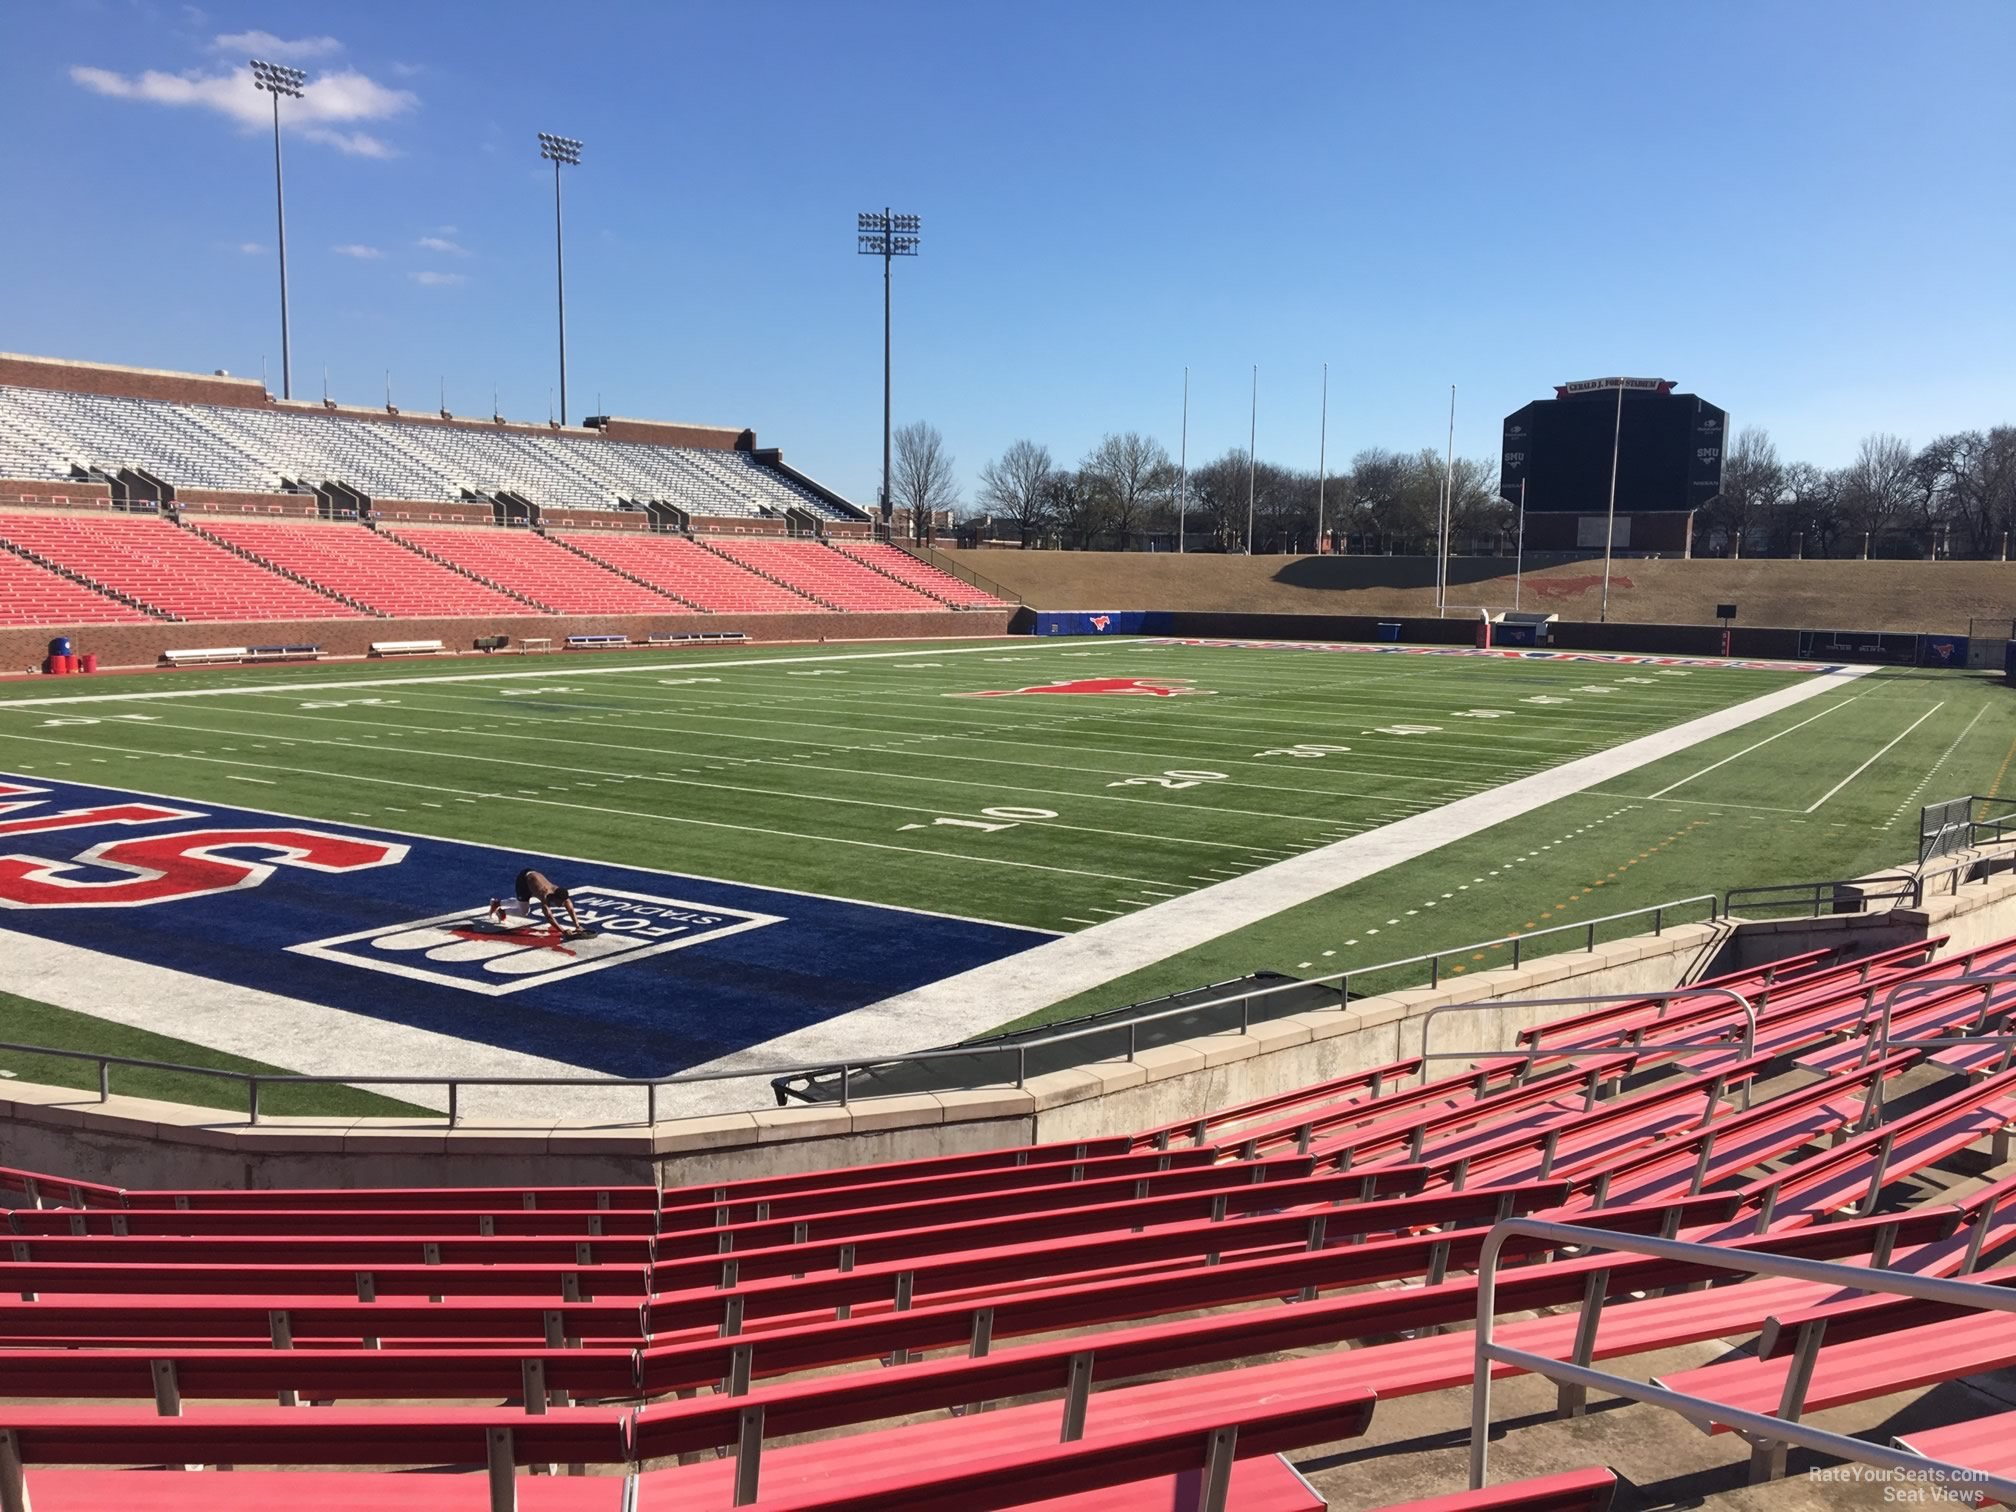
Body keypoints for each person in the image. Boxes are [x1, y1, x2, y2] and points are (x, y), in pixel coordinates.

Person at [490, 868, 586, 936]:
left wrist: (578, 926)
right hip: (524, 881)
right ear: (555, 898)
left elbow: (571, 909)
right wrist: (563, 931)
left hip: (533, 879)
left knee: (522, 903)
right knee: (524, 911)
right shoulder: (544, 895)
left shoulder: (562, 895)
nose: (561, 905)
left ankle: (497, 904)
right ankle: (500, 909)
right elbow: (549, 917)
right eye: (560, 903)